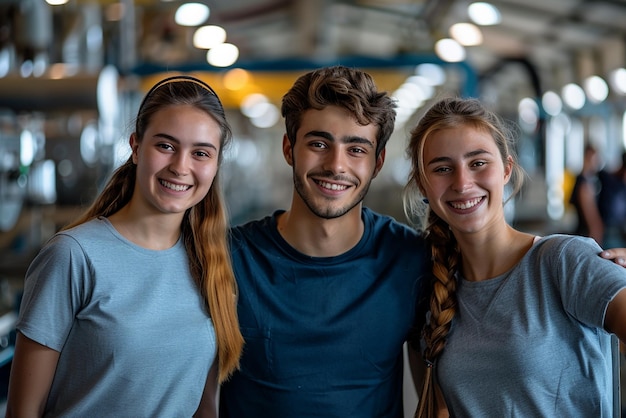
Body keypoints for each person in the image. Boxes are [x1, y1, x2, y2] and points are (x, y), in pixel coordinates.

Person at [5, 75, 244, 417]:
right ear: (135, 147)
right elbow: (22, 412)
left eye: (201, 153)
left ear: (216, 164)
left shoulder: (210, 266)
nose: (180, 166)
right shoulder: (75, 256)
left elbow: (204, 409)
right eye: (165, 146)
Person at [218, 65, 432, 417]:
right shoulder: (230, 259)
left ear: (377, 163)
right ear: (289, 149)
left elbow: (433, 396)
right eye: (319, 144)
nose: (336, 165)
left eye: (356, 150)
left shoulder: (409, 260)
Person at [403, 97, 626, 417]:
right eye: (442, 168)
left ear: (506, 169)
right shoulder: (433, 296)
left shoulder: (564, 261)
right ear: (422, 184)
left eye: (478, 162)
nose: (462, 183)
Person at [569, 144, 604, 244]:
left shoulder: (588, 180)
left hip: (583, 234)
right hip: (586, 235)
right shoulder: (584, 184)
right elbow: (591, 218)